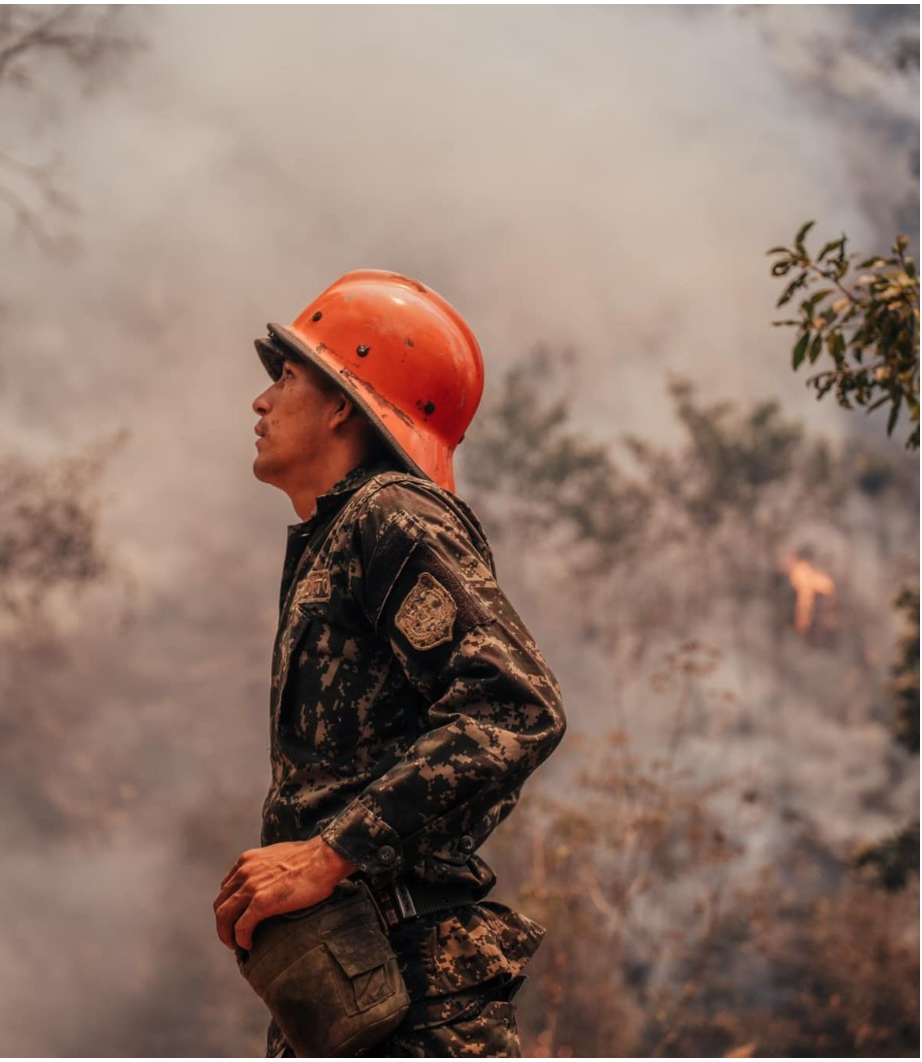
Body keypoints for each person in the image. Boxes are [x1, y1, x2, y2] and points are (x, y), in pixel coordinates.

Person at [212, 269, 567, 1056]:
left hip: (416, 999)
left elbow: (515, 706)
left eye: (288, 377)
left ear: (342, 402)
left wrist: (328, 854)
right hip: (356, 992)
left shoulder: (390, 515)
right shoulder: (336, 537)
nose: (261, 401)